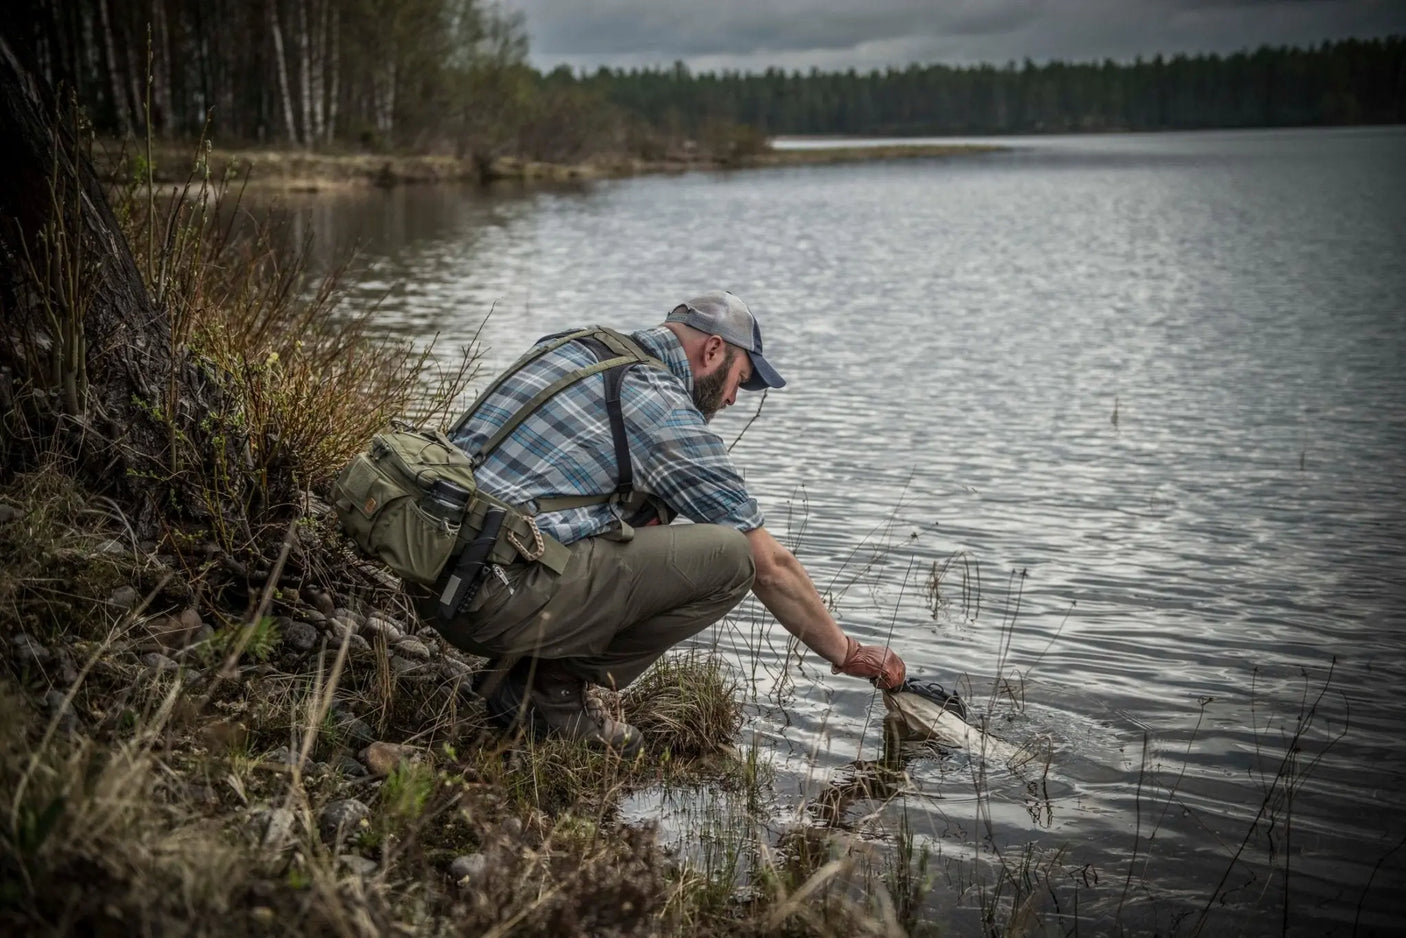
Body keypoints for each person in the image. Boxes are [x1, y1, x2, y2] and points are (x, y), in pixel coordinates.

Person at [418, 290, 906, 756]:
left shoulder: (571, 343)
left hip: (427, 570)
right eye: (742, 378)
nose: (735, 399)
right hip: (485, 605)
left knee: (644, 519)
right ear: (713, 349)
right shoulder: (663, 407)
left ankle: (516, 675)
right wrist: (848, 653)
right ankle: (544, 692)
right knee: (732, 558)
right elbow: (770, 566)